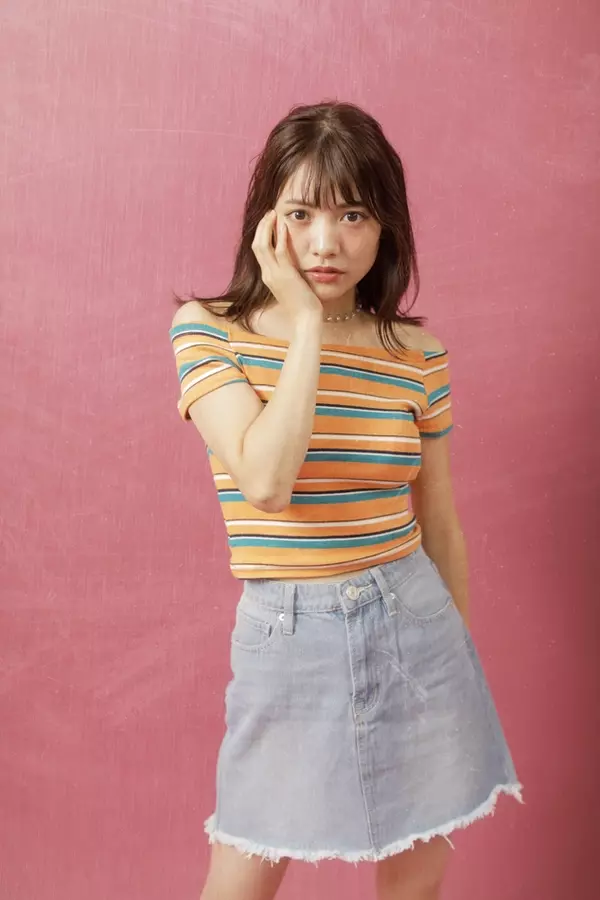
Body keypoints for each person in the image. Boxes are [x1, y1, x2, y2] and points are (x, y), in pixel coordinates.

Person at [168, 101, 523, 900]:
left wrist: (456, 665)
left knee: (414, 882)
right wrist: (305, 327)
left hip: (417, 623)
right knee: (242, 875)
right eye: (302, 213)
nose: (326, 243)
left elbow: (440, 523)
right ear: (268, 223)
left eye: (353, 214)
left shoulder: (417, 354)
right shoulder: (208, 331)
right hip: (288, 630)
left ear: (386, 225)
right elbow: (266, 481)